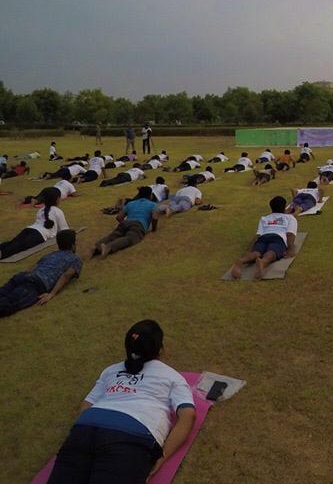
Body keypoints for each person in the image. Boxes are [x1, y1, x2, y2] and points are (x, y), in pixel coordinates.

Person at [46, 319, 197, 483]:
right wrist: (163, 455)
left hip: (86, 426)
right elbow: (188, 415)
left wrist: (82, 432)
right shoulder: (173, 376)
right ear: (160, 349)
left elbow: (87, 405)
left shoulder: (111, 370)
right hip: (132, 433)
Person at [0, 230, 82, 317]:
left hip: (23, 276)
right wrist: (51, 294)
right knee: (9, 304)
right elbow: (66, 276)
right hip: (35, 284)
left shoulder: (52, 254)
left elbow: (35, 266)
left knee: (3, 291)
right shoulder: (75, 259)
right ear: (73, 246)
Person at [229, 196, 298, 280]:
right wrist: (290, 249)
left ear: (271, 208)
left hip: (263, 238)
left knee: (256, 252)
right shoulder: (290, 218)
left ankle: (241, 261)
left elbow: (258, 235)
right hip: (278, 238)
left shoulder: (264, 218)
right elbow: (290, 234)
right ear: (284, 207)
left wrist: (250, 249)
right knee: (272, 251)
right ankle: (263, 262)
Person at [1, 188, 70, 260]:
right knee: (17, 247)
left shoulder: (41, 210)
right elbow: (64, 230)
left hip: (29, 229)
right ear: (57, 199)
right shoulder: (58, 211)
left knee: (13, 242)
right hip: (39, 235)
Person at [93, 187, 159, 258]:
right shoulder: (153, 205)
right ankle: (109, 247)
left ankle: (96, 248)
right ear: (150, 195)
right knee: (130, 238)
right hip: (138, 225)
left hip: (125, 223)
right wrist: (154, 229)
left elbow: (119, 217)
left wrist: (124, 223)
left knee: (112, 236)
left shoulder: (130, 203)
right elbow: (155, 218)